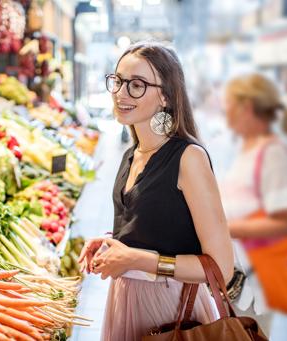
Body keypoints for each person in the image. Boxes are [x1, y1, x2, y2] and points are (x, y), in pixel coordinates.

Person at [78, 41, 234, 341]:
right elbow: (161, 229)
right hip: (124, 300)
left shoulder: (188, 157)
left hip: (171, 310)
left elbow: (221, 268)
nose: (121, 94)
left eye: (137, 85)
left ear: (165, 95)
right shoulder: (132, 154)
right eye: (118, 81)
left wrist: (135, 259)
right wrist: (115, 243)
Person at [220, 73, 287, 340]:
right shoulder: (248, 150)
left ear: (246, 108)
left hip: (264, 288)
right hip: (247, 285)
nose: (226, 112)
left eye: (229, 105)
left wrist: (225, 228)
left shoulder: (273, 155)